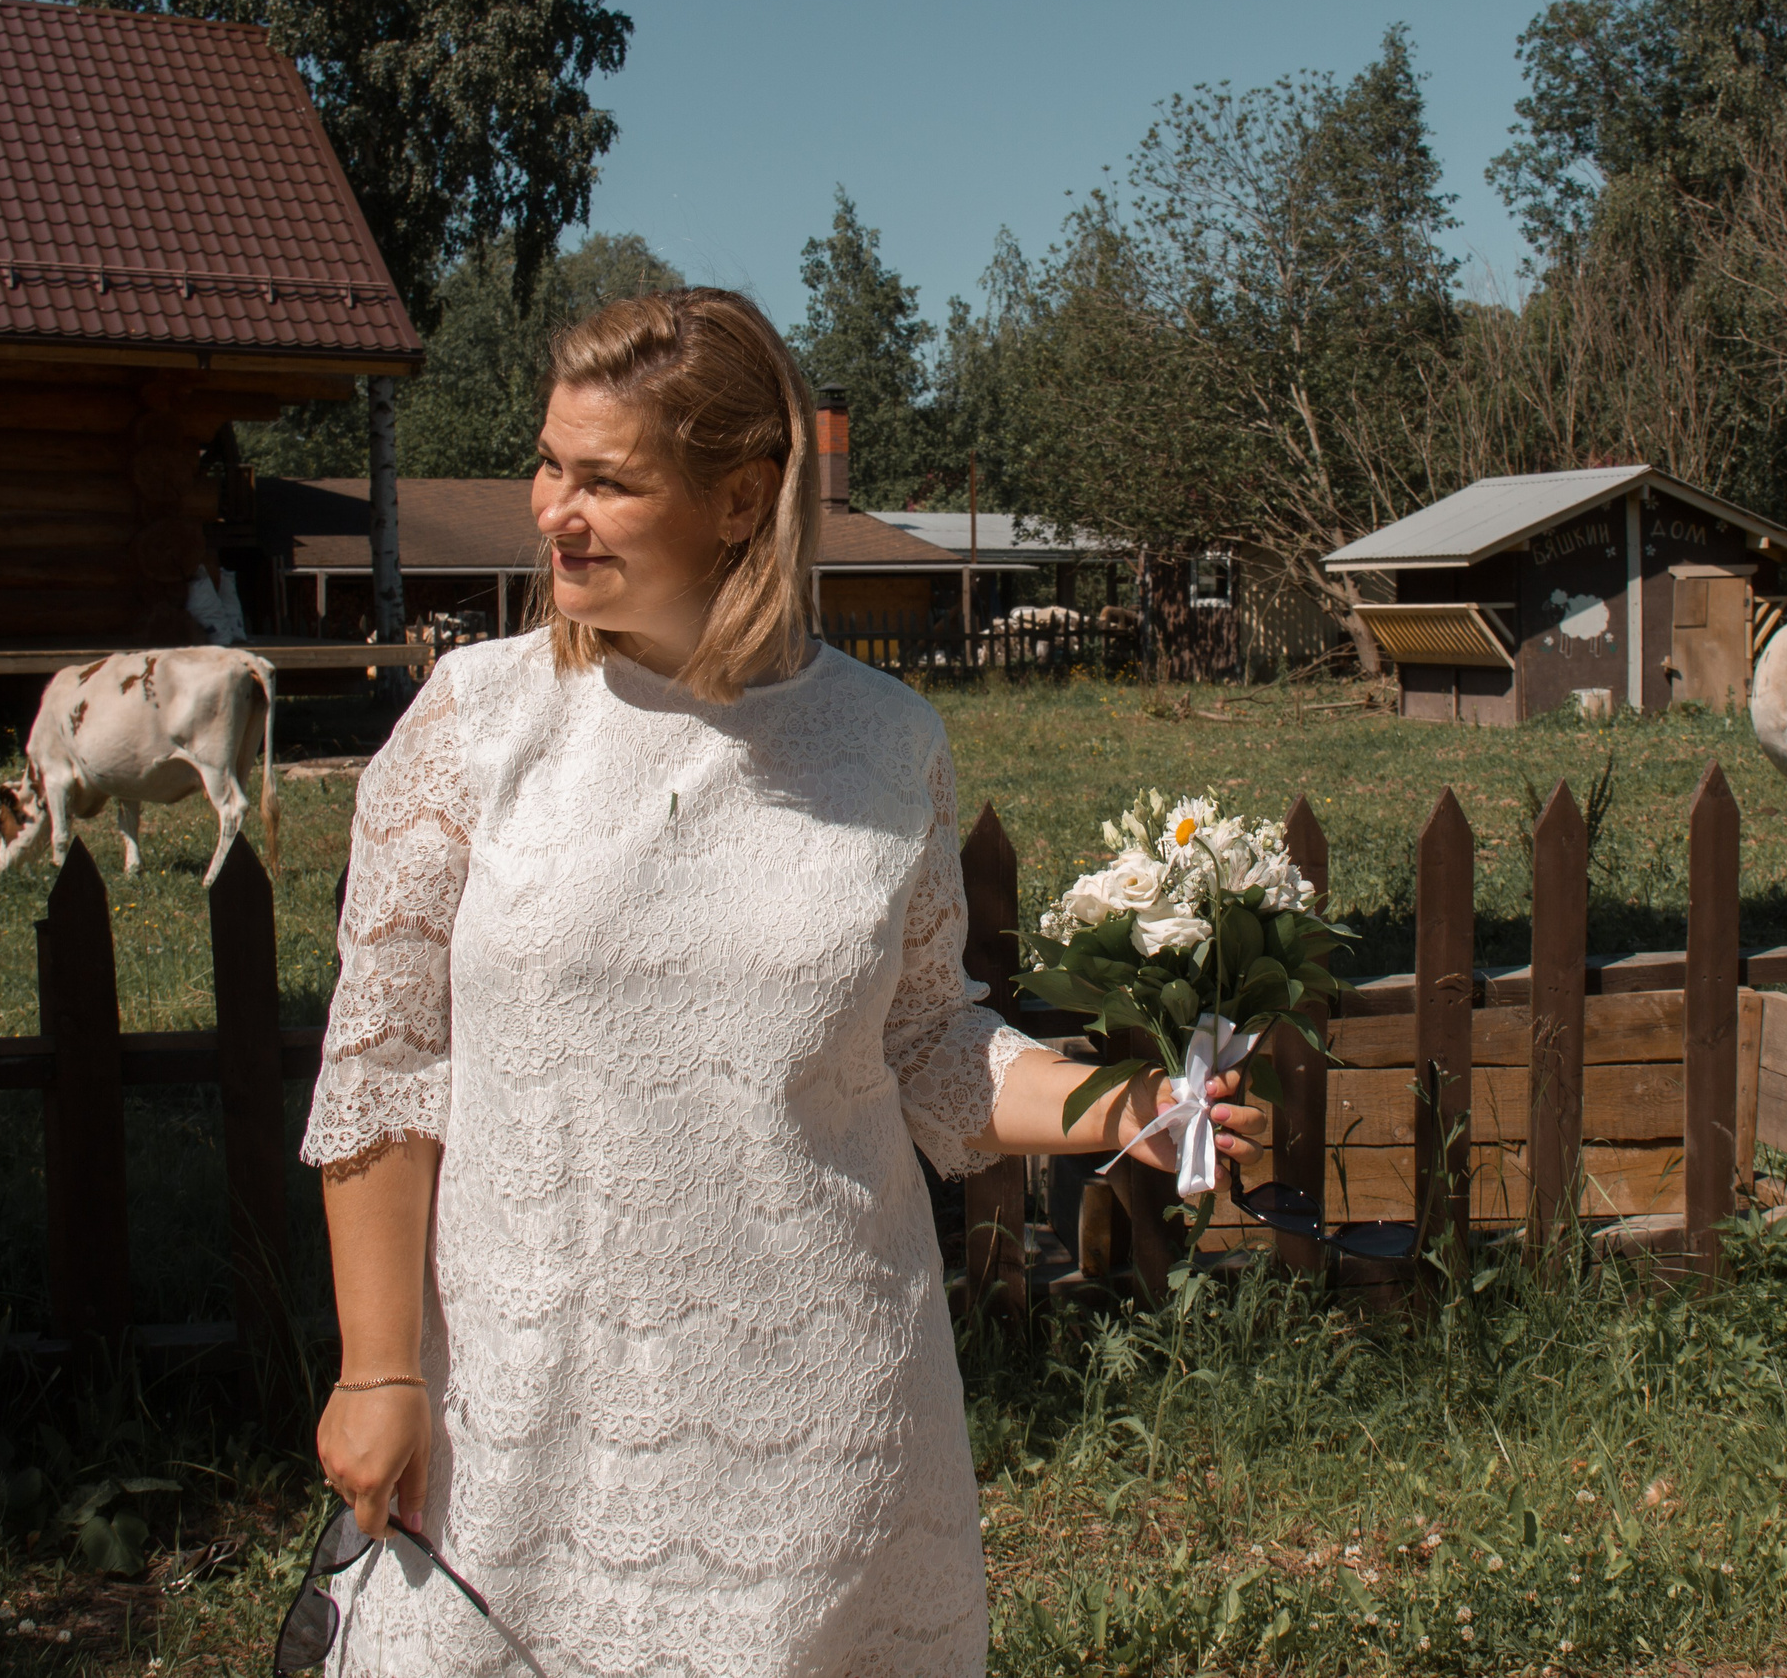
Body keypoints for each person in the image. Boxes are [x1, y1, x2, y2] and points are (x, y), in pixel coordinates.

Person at [300, 287, 1265, 1677]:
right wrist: (379, 1367)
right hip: (524, 1416)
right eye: (549, 466)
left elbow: (927, 1043)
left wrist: (1127, 1108)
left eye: (605, 481)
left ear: (742, 499)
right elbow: (383, 1069)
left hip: (823, 1426)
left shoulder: (886, 743)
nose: (554, 512)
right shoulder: (472, 726)